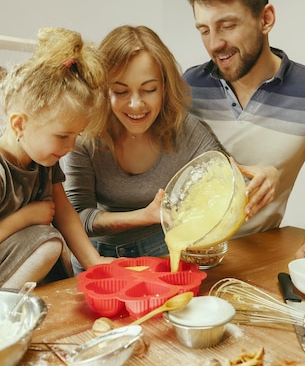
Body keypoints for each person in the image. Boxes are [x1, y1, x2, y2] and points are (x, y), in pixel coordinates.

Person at [184, 0, 305, 261]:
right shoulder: (185, 88)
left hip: (260, 252)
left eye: (227, 26)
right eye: (204, 30)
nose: (214, 43)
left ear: (266, 19)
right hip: (189, 251)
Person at [0, 27, 115, 290]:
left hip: (5, 262)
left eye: (77, 135)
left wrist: (93, 260)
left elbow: (63, 211)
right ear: (19, 124)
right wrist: (22, 219)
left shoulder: (42, 160)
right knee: (47, 240)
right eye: (63, 136)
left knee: (51, 241)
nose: (71, 147)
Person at [62, 25, 227, 273]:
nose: (136, 104)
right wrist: (144, 216)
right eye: (120, 91)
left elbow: (225, 175)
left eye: (149, 89)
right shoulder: (86, 136)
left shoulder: (185, 129)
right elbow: (78, 218)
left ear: (165, 87)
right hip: (96, 258)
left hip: (162, 251)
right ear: (103, 91)